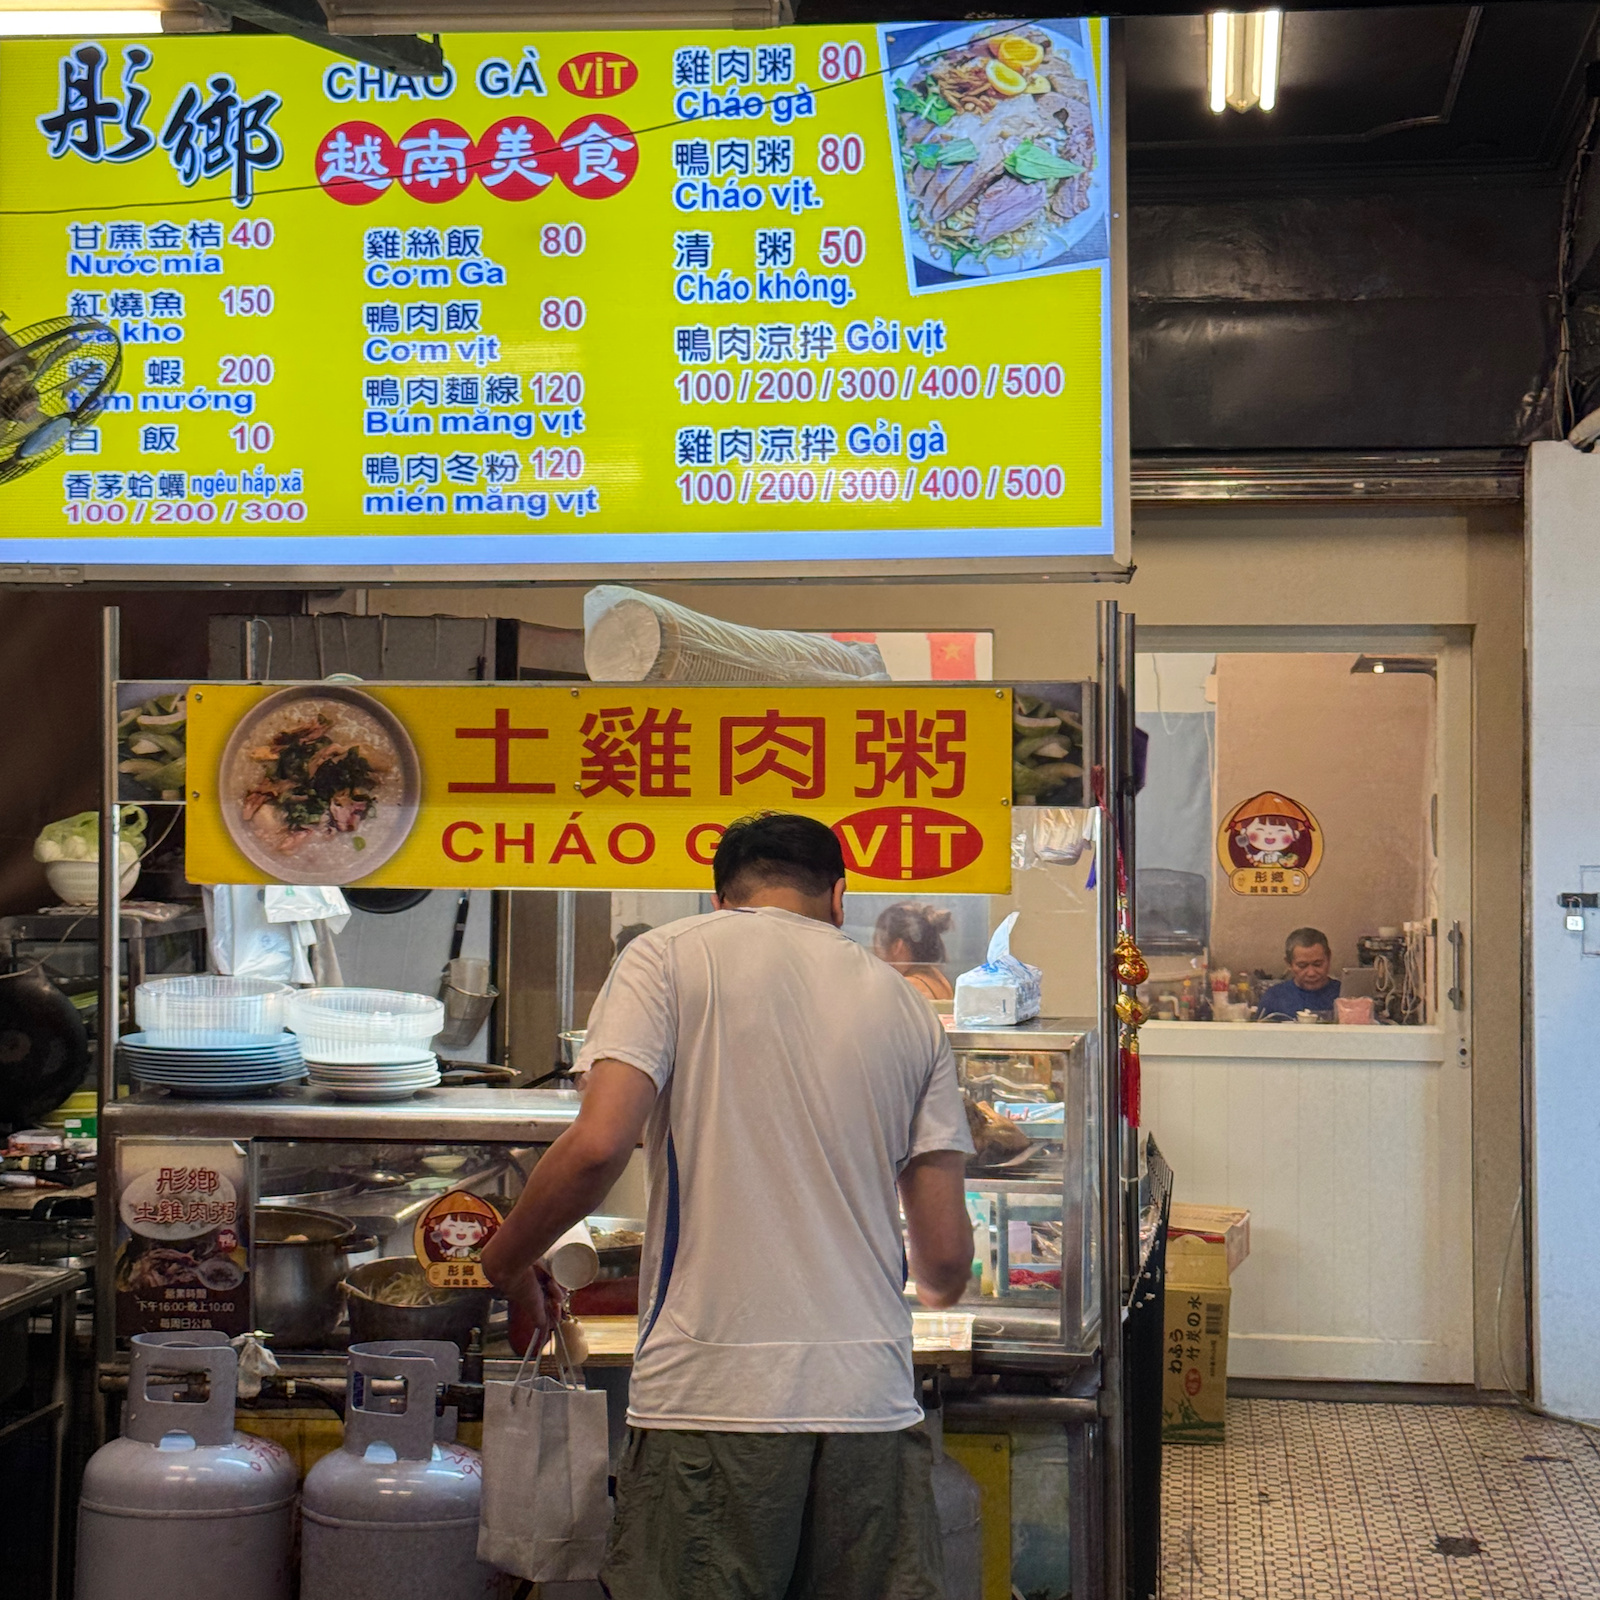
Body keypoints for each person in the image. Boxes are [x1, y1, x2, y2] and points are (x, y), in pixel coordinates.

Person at [481, 812, 977, 1600]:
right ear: (840, 898)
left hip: (714, 1397)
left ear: (720, 900)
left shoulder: (669, 958)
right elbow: (946, 1260)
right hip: (870, 1406)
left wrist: (504, 1261)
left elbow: (599, 1145)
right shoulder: (907, 1007)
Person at [873, 901, 956, 1001]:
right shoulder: (938, 978)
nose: (874, 953)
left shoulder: (905, 989)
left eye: (877, 945)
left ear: (897, 947)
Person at [1256, 928, 1342, 1019]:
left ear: (1329, 958)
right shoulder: (1274, 998)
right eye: (1302, 966)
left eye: (1318, 964)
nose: (1311, 973)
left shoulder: (1344, 995)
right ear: (1289, 964)